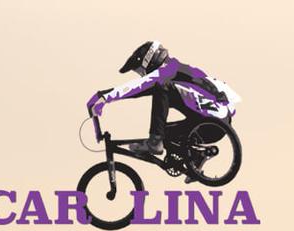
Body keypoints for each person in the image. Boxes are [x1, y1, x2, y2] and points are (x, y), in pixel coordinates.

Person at [87, 42, 239, 160]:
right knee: (164, 128)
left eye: (141, 70)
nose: (142, 75)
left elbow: (136, 87)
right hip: (219, 125)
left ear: (149, 61)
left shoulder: (167, 70)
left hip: (210, 122)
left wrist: (104, 97)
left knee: (161, 88)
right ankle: (197, 156)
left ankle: (155, 141)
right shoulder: (183, 70)